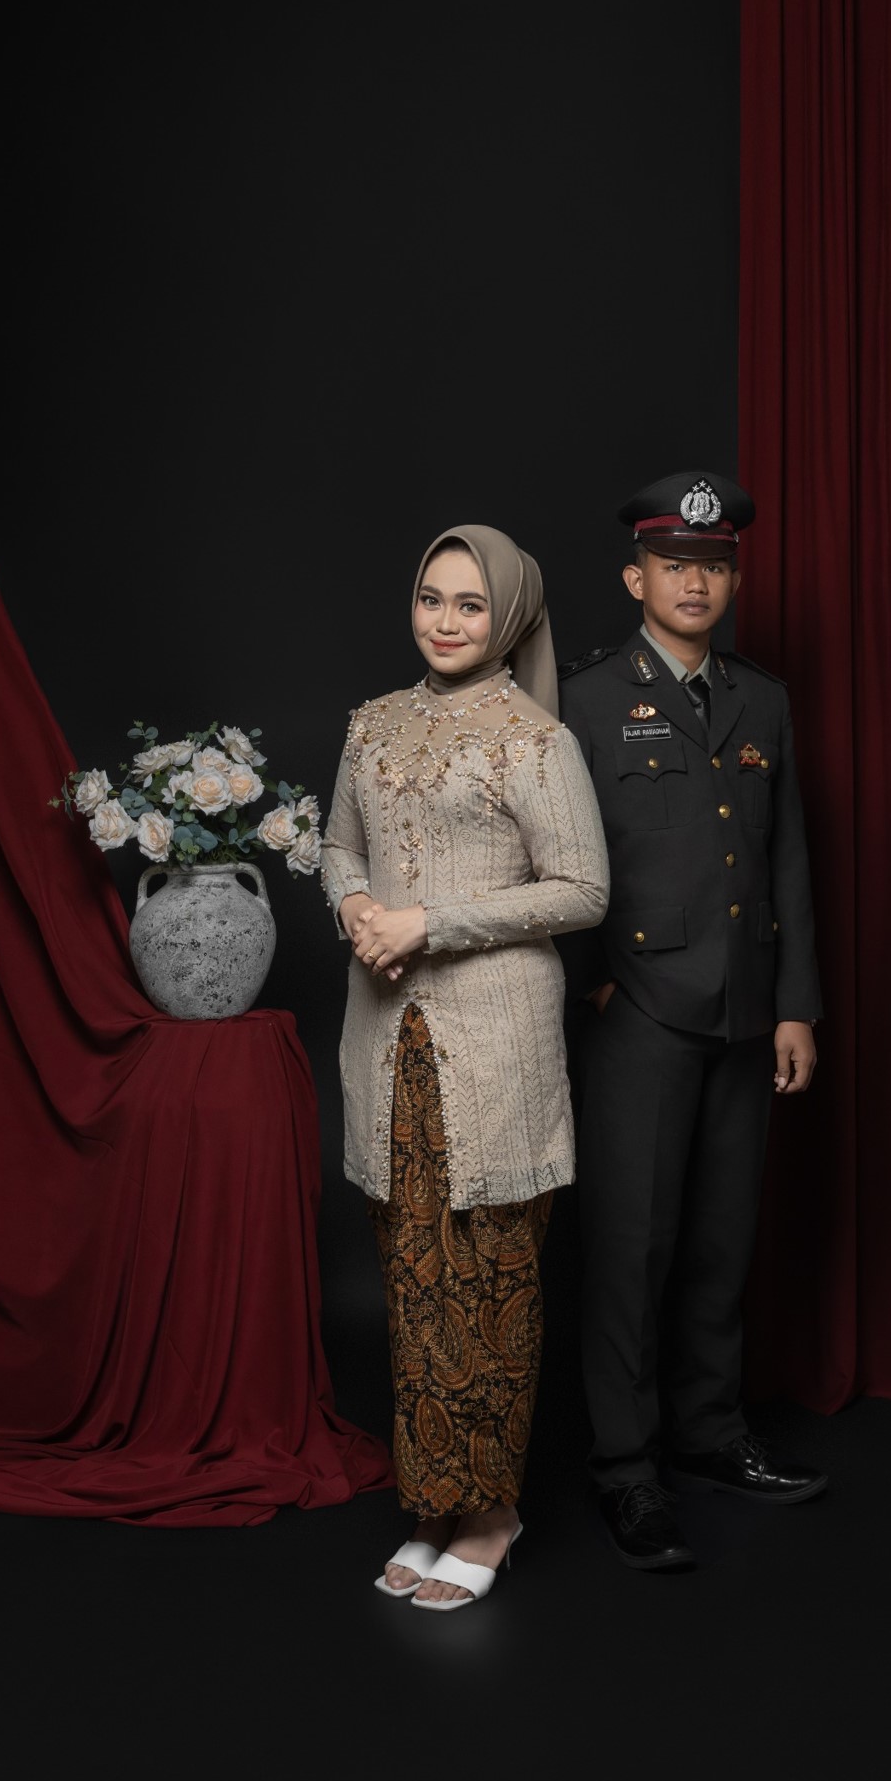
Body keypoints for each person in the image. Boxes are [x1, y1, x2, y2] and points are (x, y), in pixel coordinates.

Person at [321, 525, 608, 1611]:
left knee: (490, 1275)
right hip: (386, 1046)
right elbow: (338, 844)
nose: (444, 621)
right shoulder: (372, 722)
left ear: (511, 618)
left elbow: (582, 890)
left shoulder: (535, 739)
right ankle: (432, 1504)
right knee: (412, 1279)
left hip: (493, 1048)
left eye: (470, 605)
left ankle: (490, 1516)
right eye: (430, 598)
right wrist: (356, 903)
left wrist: (428, 923)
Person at [559, 470, 825, 1571]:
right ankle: (626, 1469)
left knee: (721, 1239)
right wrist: (592, 982)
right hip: (639, 1012)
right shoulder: (583, 700)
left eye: (713, 567)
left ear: (732, 580)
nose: (695, 583)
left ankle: (710, 1434)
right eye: (675, 565)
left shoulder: (760, 699)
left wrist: (795, 1006)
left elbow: (787, 855)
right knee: (632, 1248)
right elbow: (553, 854)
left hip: (744, 1012)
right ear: (637, 579)